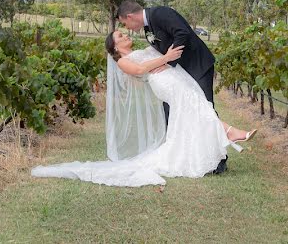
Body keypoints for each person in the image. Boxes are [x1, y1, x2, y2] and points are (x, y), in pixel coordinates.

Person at [30, 30, 256, 187]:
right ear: (115, 47)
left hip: (175, 77)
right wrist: (164, 59)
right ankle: (229, 133)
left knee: (194, 111)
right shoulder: (122, 61)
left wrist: (165, 59)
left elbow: (160, 59)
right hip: (165, 83)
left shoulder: (142, 50)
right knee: (195, 107)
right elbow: (139, 71)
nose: (125, 35)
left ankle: (224, 136)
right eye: (120, 36)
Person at [117, 0, 228, 174]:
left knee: (204, 107)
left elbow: (182, 33)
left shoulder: (160, 13)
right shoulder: (148, 27)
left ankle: (218, 159)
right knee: (173, 111)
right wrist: (165, 62)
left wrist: (169, 61)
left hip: (197, 66)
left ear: (130, 16)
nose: (128, 28)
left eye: (125, 24)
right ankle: (183, 155)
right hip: (178, 75)